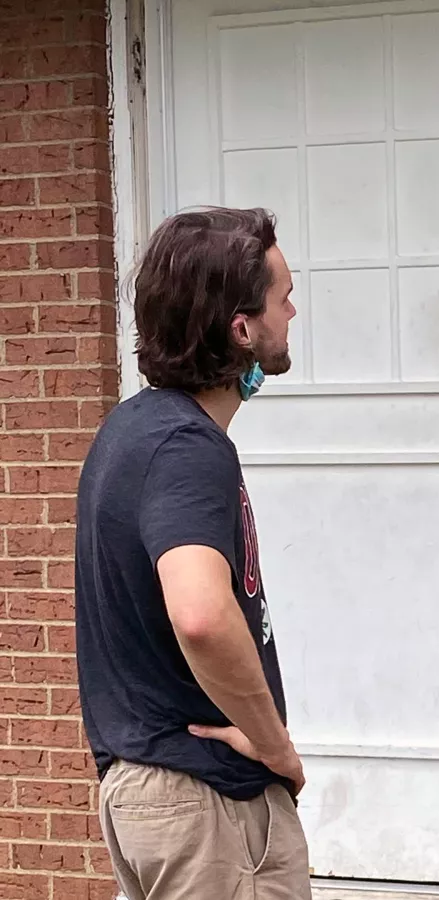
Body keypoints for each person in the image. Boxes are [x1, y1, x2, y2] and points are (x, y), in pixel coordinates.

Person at [75, 207, 310, 899]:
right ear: (242, 329)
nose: (293, 312)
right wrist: (274, 745)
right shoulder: (186, 449)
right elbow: (200, 614)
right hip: (207, 805)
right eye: (283, 298)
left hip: (155, 793)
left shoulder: (132, 428)